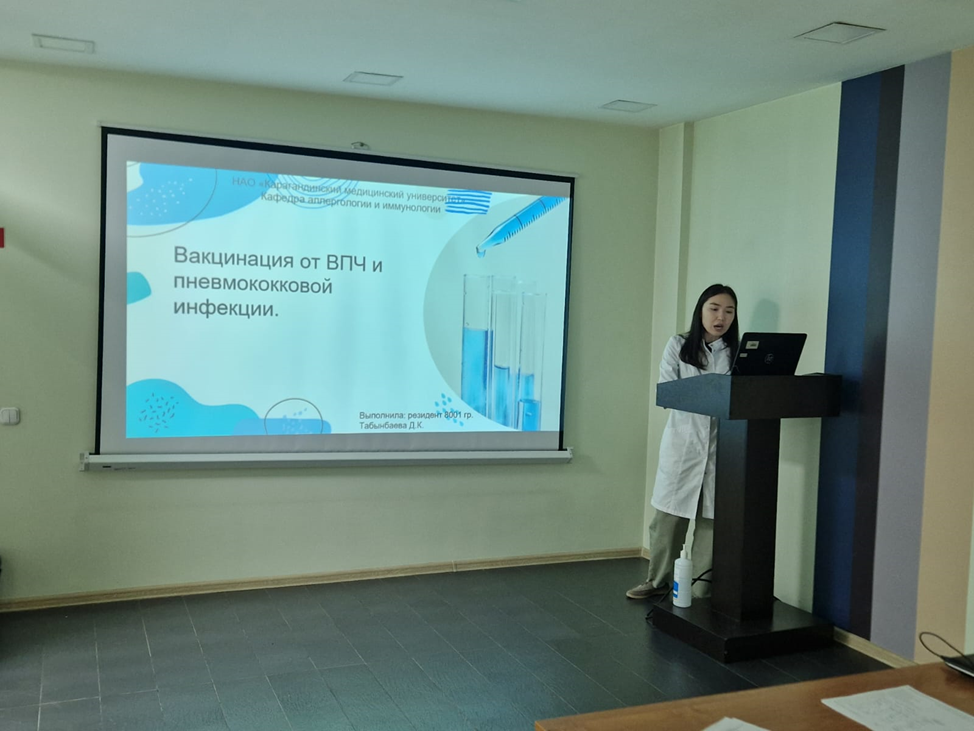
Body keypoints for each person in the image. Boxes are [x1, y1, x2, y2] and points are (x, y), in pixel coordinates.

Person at [627, 284, 739, 600]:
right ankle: (657, 581)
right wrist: (710, 393)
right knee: (668, 521)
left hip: (721, 448)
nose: (721, 317)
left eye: (728, 311)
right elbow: (667, 392)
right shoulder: (678, 345)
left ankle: (701, 590)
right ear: (700, 311)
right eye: (714, 309)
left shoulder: (736, 353)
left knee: (712, 523)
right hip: (683, 445)